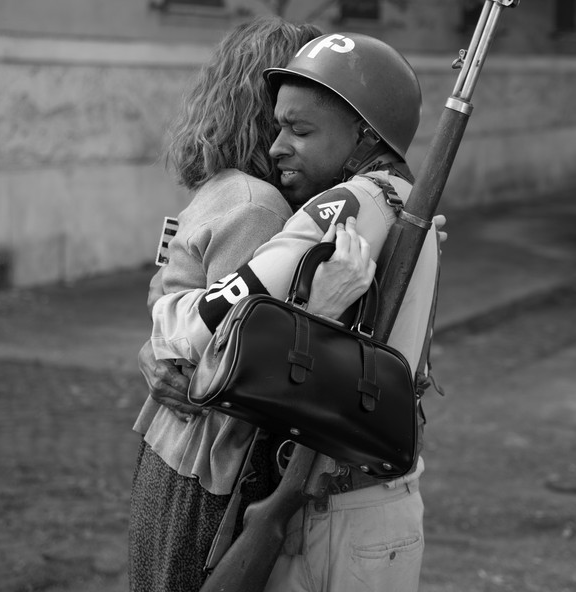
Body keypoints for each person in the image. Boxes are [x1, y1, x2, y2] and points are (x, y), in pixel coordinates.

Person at [147, 32, 441, 592]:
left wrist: (163, 318)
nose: (277, 145)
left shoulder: (343, 206)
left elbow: (198, 328)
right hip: (387, 502)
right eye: (279, 126)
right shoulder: (411, 210)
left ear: (364, 136)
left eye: (299, 130)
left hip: (330, 516)